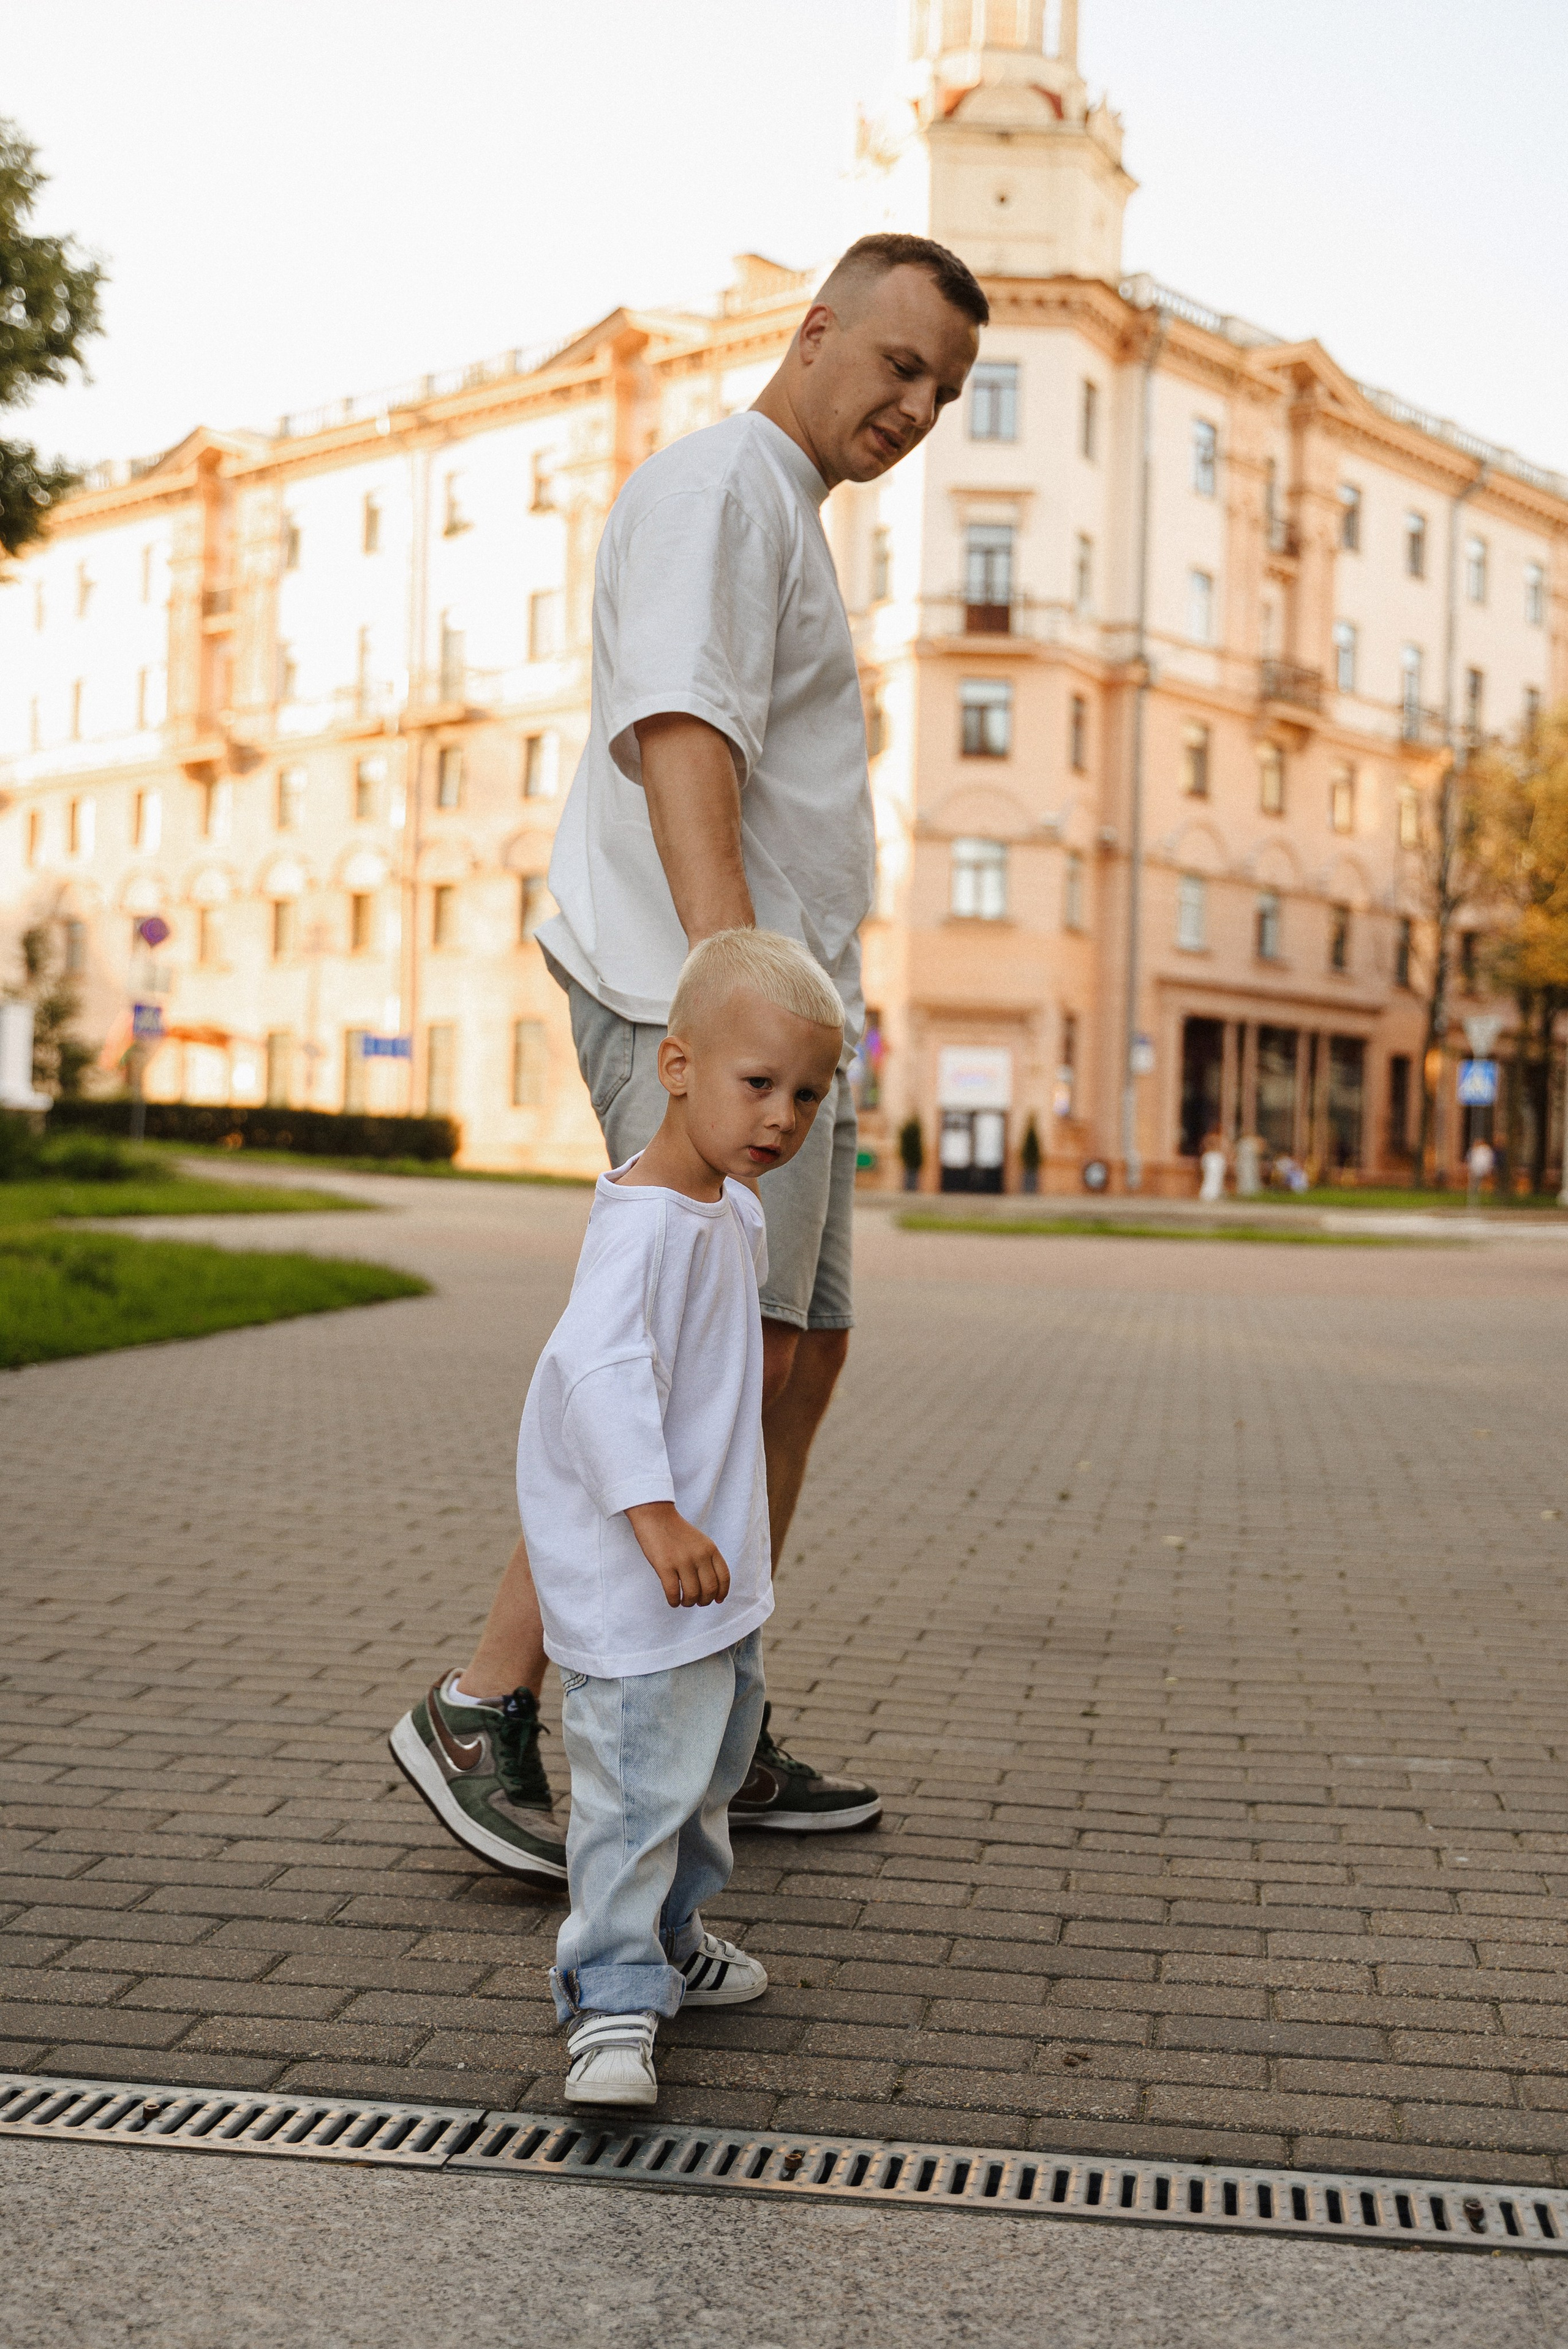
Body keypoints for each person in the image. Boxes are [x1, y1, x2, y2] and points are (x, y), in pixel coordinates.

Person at [390, 232, 986, 1883]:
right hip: (701, 1007)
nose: (917, 404)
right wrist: (734, 1008)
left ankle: (717, 1702)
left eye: (943, 386)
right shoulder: (725, 488)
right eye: (898, 362)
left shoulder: (779, 515)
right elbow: (683, 734)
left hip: (768, 1019)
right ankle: (484, 1700)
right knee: (688, 1353)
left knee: (800, 1356)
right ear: (815, 330)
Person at [527, 930, 845, 2106]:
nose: (782, 1117)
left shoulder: (734, 1210)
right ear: (676, 1066)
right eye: (756, 1085)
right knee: (631, 1789)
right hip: (641, 1575)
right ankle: (609, 2002)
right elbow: (599, 1376)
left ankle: (669, 1943)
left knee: (704, 1776)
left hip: (717, 1581)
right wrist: (655, 1518)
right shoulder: (645, 1222)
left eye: (806, 1095)